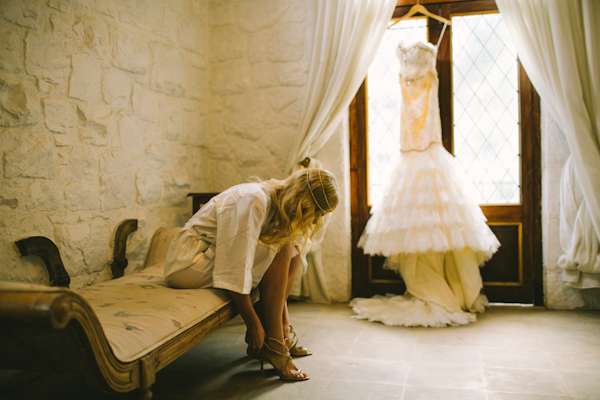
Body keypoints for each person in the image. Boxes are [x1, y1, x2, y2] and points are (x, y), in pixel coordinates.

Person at [352, 38, 500, 327]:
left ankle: (447, 290)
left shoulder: (425, 53)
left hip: (427, 150)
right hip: (412, 152)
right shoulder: (415, 57)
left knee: (435, 231)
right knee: (425, 232)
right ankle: (438, 290)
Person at [164, 168, 339, 380]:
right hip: (188, 263)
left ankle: (279, 332)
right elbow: (234, 267)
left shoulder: (274, 198)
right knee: (283, 246)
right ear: (305, 200)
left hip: (209, 255)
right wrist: (253, 323)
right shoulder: (252, 201)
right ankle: (274, 344)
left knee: (293, 246)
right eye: (318, 213)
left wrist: (283, 320)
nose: (314, 221)